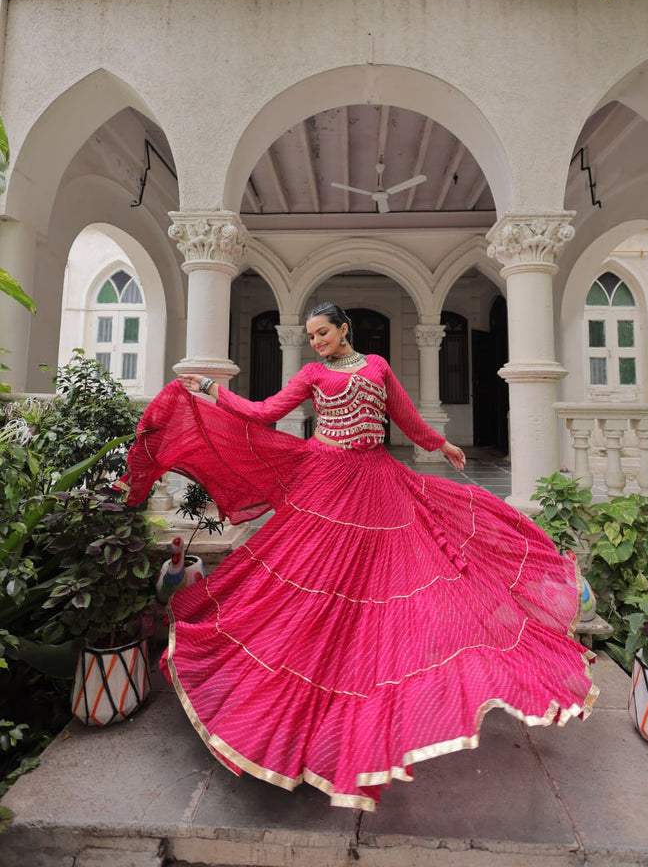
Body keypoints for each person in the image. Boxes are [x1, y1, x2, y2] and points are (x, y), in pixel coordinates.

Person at [122, 301, 598, 812]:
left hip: (376, 481)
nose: (317, 342)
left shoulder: (377, 366)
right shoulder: (310, 372)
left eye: (323, 333)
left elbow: (405, 417)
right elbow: (265, 414)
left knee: (385, 579)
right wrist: (215, 392)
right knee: (310, 577)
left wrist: (440, 444)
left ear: (344, 329)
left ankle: (370, 684)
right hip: (326, 482)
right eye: (311, 336)